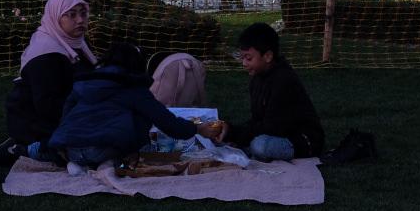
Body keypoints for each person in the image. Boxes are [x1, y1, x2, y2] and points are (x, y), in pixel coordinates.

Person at [49, 43, 219, 172]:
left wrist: (62, 143)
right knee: (141, 114)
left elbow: (66, 115)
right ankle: (112, 163)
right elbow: (165, 120)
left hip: (71, 147)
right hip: (104, 149)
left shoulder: (84, 84)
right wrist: (196, 129)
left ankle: (77, 165)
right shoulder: (133, 89)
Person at [0, 0, 97, 166]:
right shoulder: (46, 54)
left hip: (69, 111)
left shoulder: (76, 42)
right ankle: (27, 148)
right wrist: (88, 114)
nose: (80, 20)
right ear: (55, 18)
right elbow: (47, 105)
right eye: (72, 15)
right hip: (35, 122)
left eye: (83, 13)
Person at [219, 22, 324, 161]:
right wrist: (232, 131)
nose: (244, 63)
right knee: (253, 141)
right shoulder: (257, 79)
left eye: (249, 58)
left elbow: (271, 128)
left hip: (301, 140)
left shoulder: (284, 81)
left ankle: (248, 149)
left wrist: (234, 133)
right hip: (277, 133)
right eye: (242, 57)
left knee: (260, 146)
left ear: (268, 56)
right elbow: (258, 120)